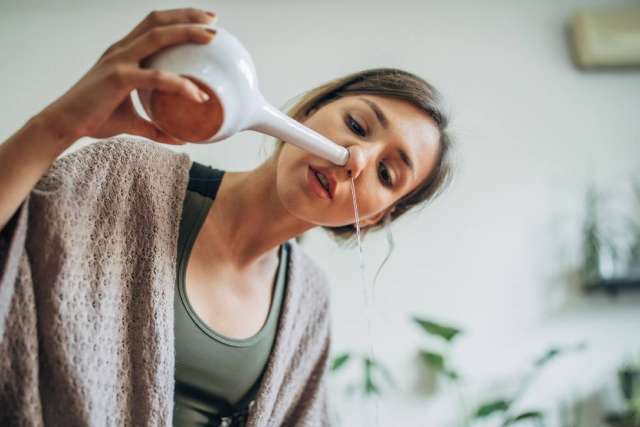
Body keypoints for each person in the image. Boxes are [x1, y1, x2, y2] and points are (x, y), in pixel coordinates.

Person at [0, 7, 454, 427]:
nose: (354, 160)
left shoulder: (309, 303)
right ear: (310, 112)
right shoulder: (124, 178)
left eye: (386, 172)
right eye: (356, 126)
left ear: (374, 218)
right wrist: (60, 125)